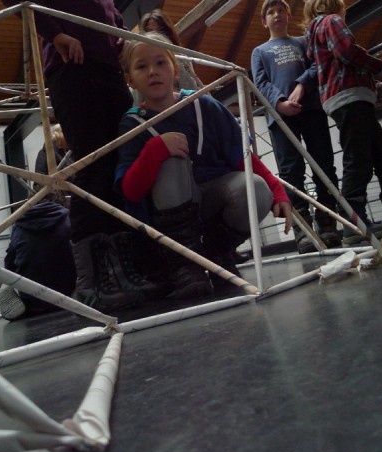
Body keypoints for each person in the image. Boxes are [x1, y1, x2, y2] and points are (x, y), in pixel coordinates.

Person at [0, 0, 162, 311]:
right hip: (74, 75)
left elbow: (114, 27)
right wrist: (56, 33)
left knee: (118, 166)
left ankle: (124, 267)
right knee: (92, 167)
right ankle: (93, 281)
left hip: (109, 78)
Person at [116, 33, 292, 298]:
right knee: (171, 157)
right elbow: (130, 191)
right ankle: (184, 264)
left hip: (212, 202)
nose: (153, 71)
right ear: (130, 79)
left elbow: (242, 156)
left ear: (175, 69)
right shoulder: (132, 124)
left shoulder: (204, 105)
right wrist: (154, 151)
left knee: (257, 188)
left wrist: (277, 190)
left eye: (161, 62)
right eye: (142, 66)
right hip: (166, 220)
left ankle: (218, 253)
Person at [304, 0, 382, 244]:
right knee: (359, 158)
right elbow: (347, 51)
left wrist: (378, 89)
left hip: (348, 100)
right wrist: (379, 68)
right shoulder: (331, 21)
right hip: (351, 101)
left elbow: (342, 72)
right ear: (336, 7)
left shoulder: (315, 38)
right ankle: (354, 222)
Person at [251, 0, 341, 253]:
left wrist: (301, 85)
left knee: (324, 165)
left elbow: (316, 66)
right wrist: (279, 103)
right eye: (271, 12)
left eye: (281, 10)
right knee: (291, 172)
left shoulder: (303, 42)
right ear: (264, 21)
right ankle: (303, 231)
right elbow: (260, 83)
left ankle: (328, 224)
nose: (277, 14)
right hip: (280, 118)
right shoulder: (259, 51)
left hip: (311, 110)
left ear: (288, 16)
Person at [0, 192, 76, 321]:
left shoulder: (19, 225)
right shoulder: (68, 219)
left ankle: (21, 300)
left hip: (33, 301)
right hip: (67, 295)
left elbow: (9, 265)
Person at [140, 8, 203, 91]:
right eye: (151, 32)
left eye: (160, 31)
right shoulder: (141, 63)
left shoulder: (181, 58)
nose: (157, 37)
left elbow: (190, 89)